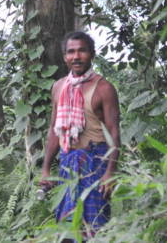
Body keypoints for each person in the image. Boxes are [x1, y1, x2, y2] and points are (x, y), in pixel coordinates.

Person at [39, 31, 120, 239]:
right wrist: (46, 168)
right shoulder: (59, 87)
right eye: (71, 52)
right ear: (65, 57)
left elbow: (114, 132)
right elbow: (54, 130)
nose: (76, 56)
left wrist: (110, 172)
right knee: (67, 227)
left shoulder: (104, 88)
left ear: (91, 54)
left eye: (82, 51)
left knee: (95, 227)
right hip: (67, 163)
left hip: (96, 163)